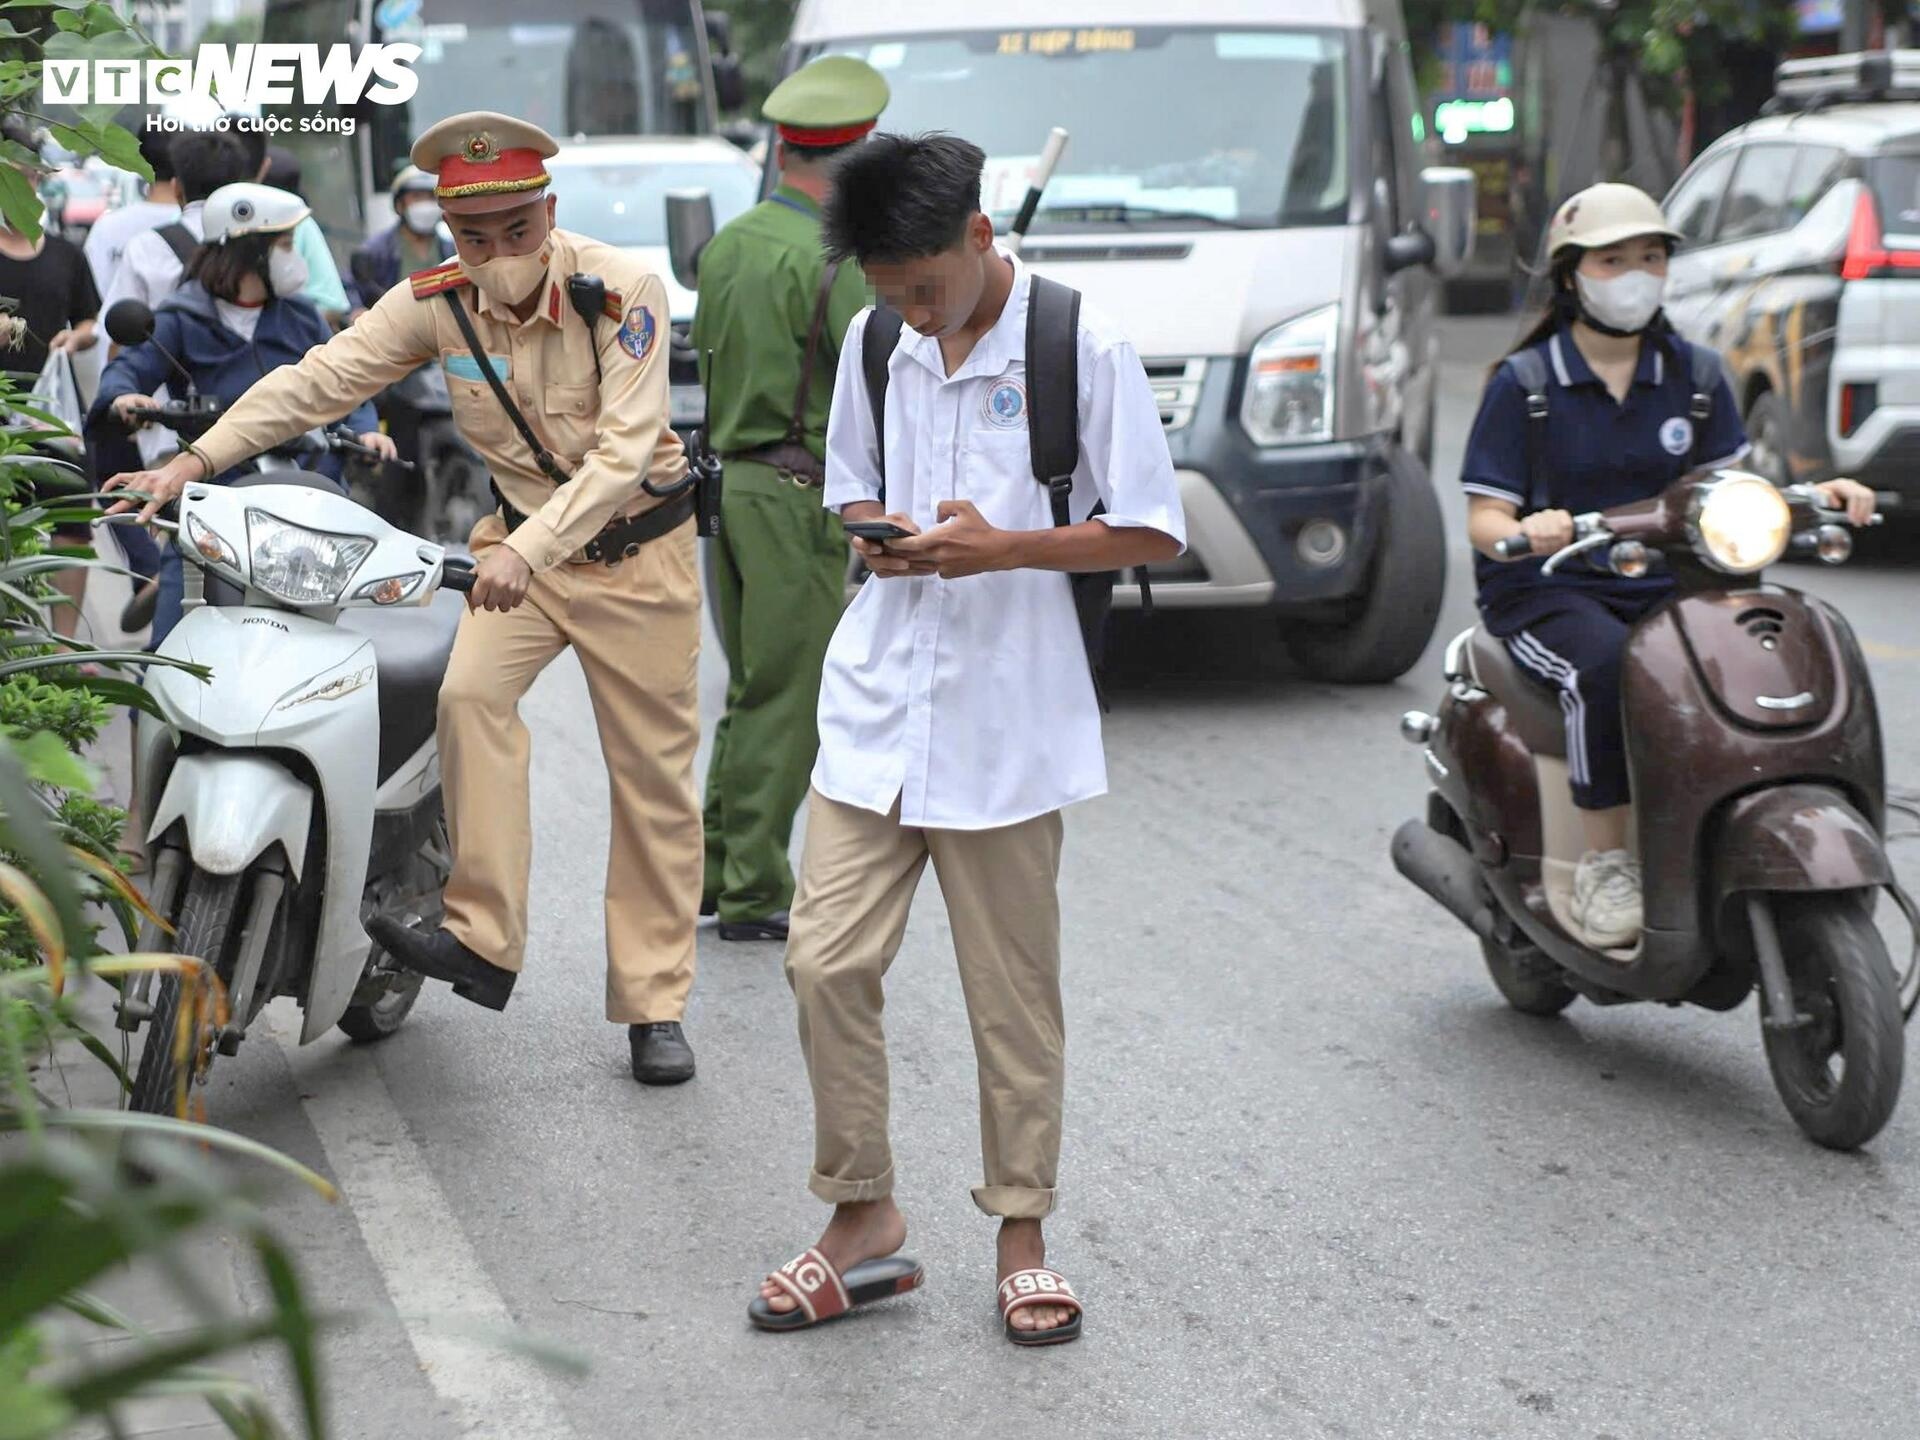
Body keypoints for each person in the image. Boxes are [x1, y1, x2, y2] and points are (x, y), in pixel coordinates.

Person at [104, 112, 705, 1087]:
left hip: (634, 556)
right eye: (475, 237)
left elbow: (624, 452)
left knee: (651, 786)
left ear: (549, 212)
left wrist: (534, 548)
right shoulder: (438, 298)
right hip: (517, 550)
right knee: (466, 702)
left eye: (516, 230)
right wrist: (193, 461)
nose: (497, 255)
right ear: (450, 233)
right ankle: (482, 934)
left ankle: (653, 1003)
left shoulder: (622, 294)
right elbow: (320, 381)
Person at [746, 134, 1185, 1344]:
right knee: (823, 960)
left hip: (1009, 723)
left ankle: (1022, 1234)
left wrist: (1006, 546)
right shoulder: (877, 338)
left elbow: (1148, 529)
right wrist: (879, 527)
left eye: (926, 288)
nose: (912, 313)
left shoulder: (1077, 343)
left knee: (1012, 1002)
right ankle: (864, 1217)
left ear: (982, 239)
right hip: (880, 703)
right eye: (890, 292)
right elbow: (846, 482)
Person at [1460, 182, 1877, 949]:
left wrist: (1818, 494)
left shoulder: (1697, 375)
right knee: (1605, 669)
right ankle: (1606, 862)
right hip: (1549, 591)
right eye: (1613, 260)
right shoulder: (1525, 386)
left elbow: (1733, 490)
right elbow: (1485, 519)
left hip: (1677, 580)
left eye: (1650, 257)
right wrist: (1528, 528)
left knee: (1768, 653)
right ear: (1571, 276)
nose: (1635, 275)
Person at [692, 55, 888, 944]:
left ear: (781, 147)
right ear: (857, 161)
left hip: (727, 482)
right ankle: (754, 891)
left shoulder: (729, 244)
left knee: (749, 687)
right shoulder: (834, 258)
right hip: (796, 488)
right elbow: (878, 373)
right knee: (788, 696)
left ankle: (715, 866)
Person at [90, 183, 391, 646]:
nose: (296, 258)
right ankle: (149, 713)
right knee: (171, 643)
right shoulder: (179, 317)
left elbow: (344, 386)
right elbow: (127, 369)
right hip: (217, 499)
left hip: (306, 495)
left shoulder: (302, 317)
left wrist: (367, 432)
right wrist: (125, 398)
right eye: (285, 246)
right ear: (250, 252)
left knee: (340, 637)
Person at [0, 196, 100, 640]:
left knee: (73, 521)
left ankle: (64, 642)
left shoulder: (66, 254)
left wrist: (73, 339)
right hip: (7, 414)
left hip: (53, 412)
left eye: (33, 176)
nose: (26, 187)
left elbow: (89, 322)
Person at [83, 127, 181, 299]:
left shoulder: (108, 226)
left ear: (140, 157)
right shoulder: (201, 225)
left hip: (114, 323)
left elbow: (92, 290)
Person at [347, 166, 452, 320]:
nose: (425, 205)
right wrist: (356, 311)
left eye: (430, 197)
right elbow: (349, 287)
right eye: (417, 197)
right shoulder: (374, 251)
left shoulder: (451, 249)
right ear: (399, 205)